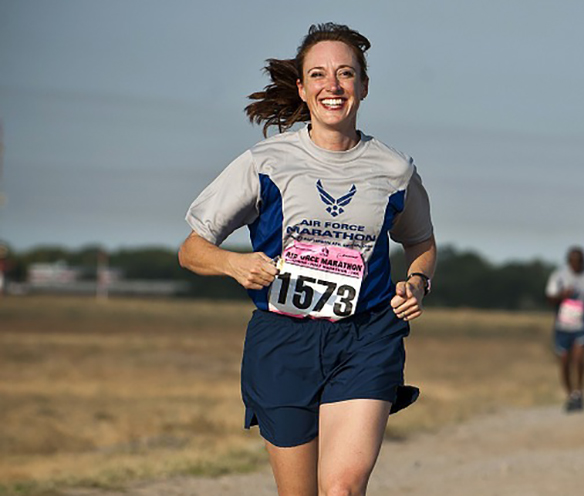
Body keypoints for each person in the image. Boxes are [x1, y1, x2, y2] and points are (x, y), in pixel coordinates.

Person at [178, 23, 436, 496]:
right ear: (301, 86)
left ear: (363, 85)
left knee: (341, 489)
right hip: (283, 341)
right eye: (318, 74)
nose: (332, 86)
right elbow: (192, 250)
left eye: (345, 74)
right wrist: (235, 265)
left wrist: (417, 283)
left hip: (366, 337)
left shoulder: (394, 170)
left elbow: (421, 241)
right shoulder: (265, 162)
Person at [545, 246, 584, 413]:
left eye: (580, 261)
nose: (577, 265)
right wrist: (562, 295)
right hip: (563, 325)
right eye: (573, 261)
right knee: (565, 361)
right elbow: (549, 297)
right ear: (569, 262)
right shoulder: (558, 276)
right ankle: (570, 395)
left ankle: (579, 392)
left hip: (582, 325)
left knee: (579, 357)